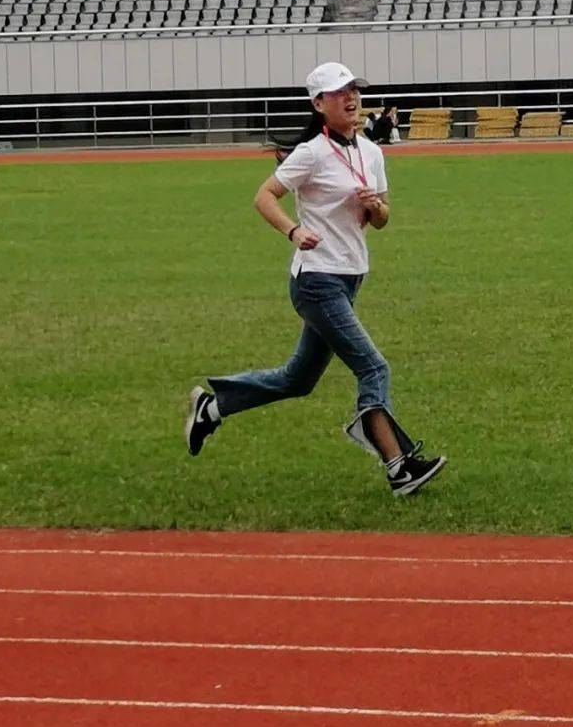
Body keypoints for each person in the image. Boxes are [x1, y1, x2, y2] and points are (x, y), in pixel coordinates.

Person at [185, 62, 445, 498]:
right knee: (373, 367)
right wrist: (293, 230)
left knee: (297, 379)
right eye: (339, 93)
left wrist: (376, 208)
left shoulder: (372, 152)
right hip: (316, 281)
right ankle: (398, 467)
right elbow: (263, 196)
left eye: (354, 90)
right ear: (319, 104)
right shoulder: (311, 153)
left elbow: (379, 220)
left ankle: (212, 407)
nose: (351, 99)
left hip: (349, 277)